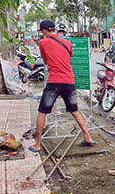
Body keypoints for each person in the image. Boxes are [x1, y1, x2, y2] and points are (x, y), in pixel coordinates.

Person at [29, 20, 95, 153]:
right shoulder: (67, 42)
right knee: (74, 110)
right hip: (69, 81)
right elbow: (68, 55)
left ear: (46, 31)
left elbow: (46, 61)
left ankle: (37, 144)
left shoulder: (43, 42)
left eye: (42, 32)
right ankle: (87, 136)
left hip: (54, 82)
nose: (42, 35)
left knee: (42, 112)